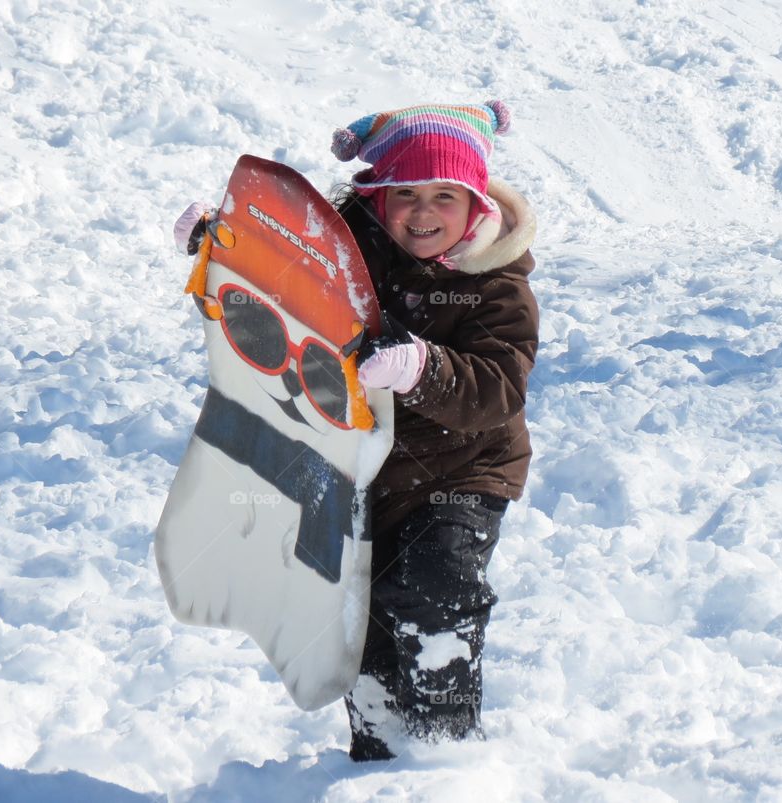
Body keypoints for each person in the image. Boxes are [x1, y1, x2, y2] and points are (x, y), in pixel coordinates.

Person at [174, 101, 539, 761]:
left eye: (444, 195)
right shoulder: (346, 251)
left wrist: (423, 367)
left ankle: (444, 750)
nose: (423, 210)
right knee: (356, 616)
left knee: (434, 585)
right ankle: (380, 756)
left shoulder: (496, 284)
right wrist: (219, 247)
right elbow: (279, 279)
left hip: (463, 467)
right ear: (376, 194)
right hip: (360, 469)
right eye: (405, 192)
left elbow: (499, 387)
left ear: (476, 203)